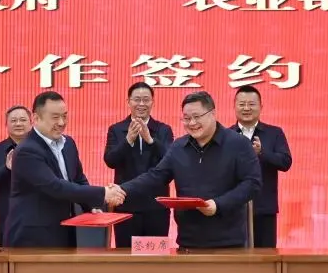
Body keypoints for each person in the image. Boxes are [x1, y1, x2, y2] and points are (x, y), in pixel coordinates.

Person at [121, 91, 261, 249]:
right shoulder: (178, 147)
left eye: (197, 116)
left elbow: (252, 183)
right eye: (186, 118)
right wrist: (121, 189)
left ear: (212, 113)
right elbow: (155, 176)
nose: (192, 123)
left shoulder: (238, 144)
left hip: (228, 242)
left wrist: (218, 204)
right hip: (187, 241)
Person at [4, 91, 124, 248]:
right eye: (55, 117)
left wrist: (91, 205)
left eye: (65, 116)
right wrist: (103, 193)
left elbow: (78, 179)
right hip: (32, 237)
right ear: (36, 118)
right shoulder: (27, 150)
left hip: (64, 231)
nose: (61, 122)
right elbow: (55, 186)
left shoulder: (69, 144)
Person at [103, 82, 175, 247]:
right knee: (126, 257)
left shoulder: (163, 130)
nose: (141, 104)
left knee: (155, 258)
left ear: (152, 102)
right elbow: (110, 161)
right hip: (126, 207)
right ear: (128, 102)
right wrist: (128, 140)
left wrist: (150, 140)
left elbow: (171, 161)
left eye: (146, 99)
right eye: (137, 99)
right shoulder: (116, 129)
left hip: (156, 208)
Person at [231, 85, 292, 248]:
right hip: (233, 208)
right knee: (234, 255)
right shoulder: (225, 134)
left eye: (251, 104)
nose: (246, 108)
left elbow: (286, 162)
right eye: (242, 104)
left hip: (265, 207)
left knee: (265, 256)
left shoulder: (274, 133)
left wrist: (262, 152)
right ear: (234, 106)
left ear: (261, 106)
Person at [0, 105, 32, 248]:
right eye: (13, 120)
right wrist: (6, 169)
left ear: (31, 123)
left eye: (23, 120)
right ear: (6, 124)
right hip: (7, 221)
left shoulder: (43, 149)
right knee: (5, 260)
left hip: (39, 222)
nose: (18, 124)